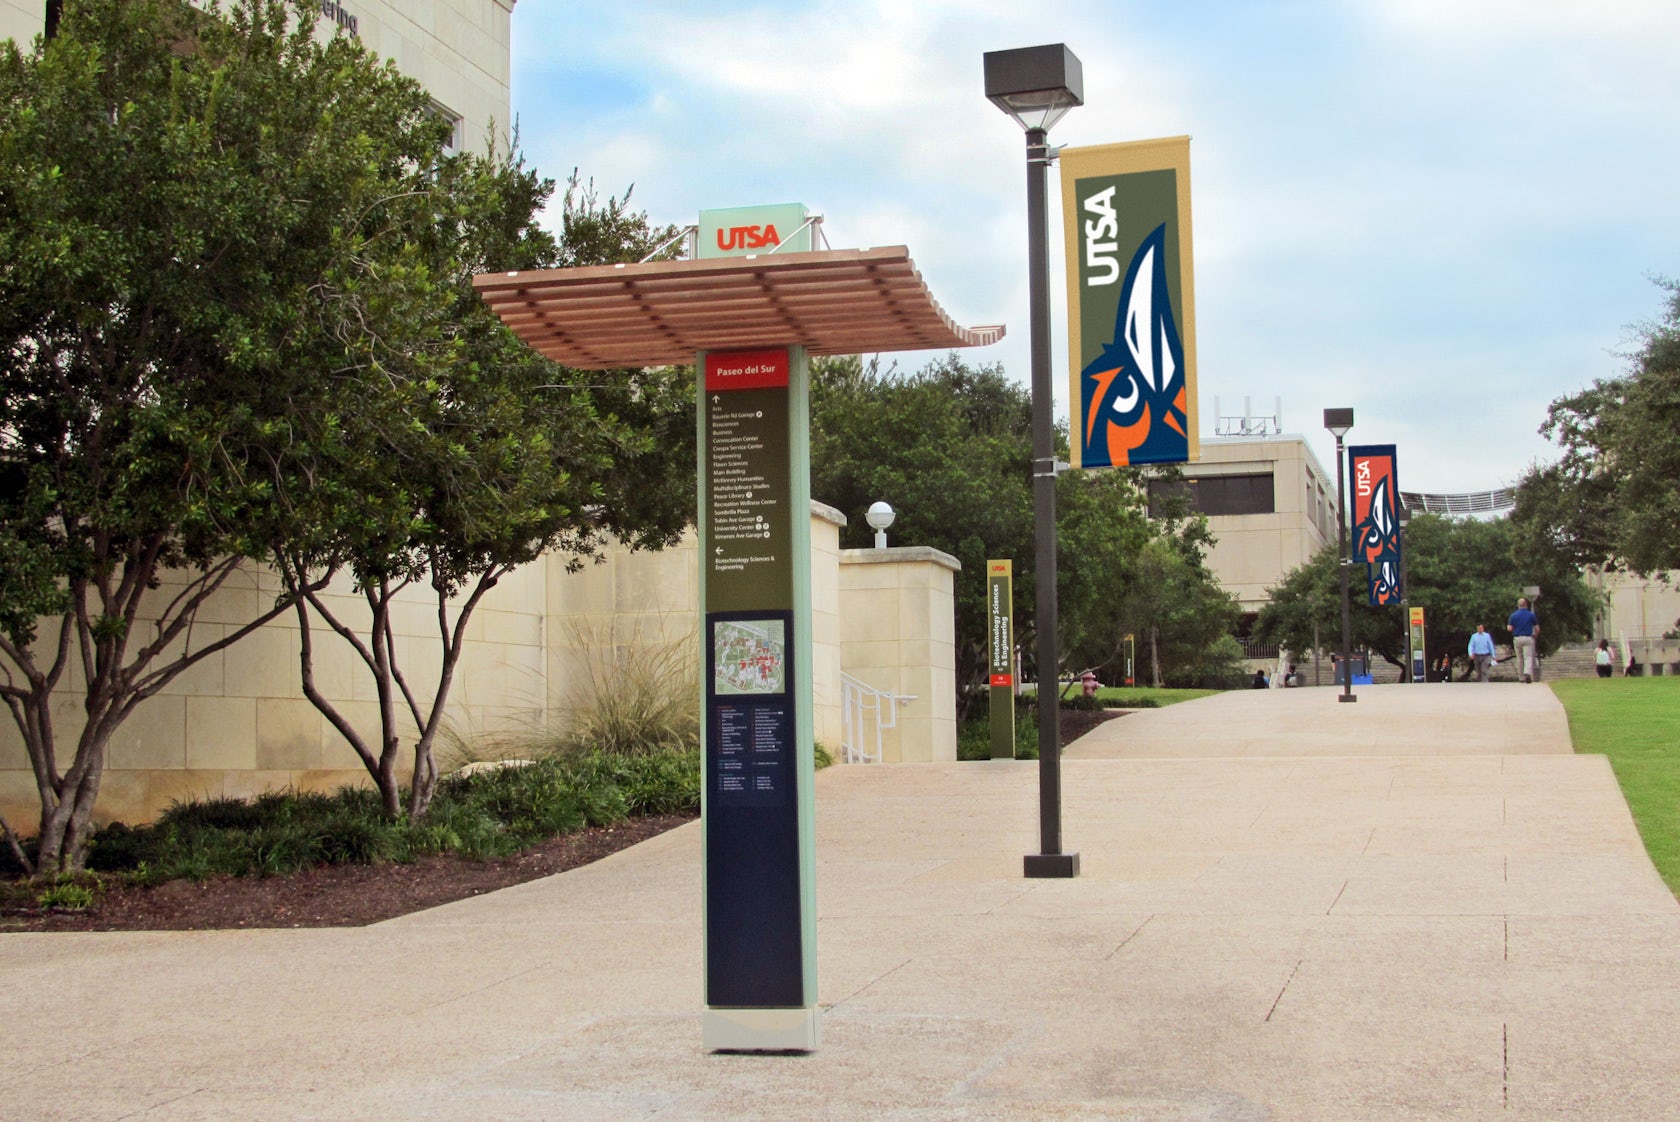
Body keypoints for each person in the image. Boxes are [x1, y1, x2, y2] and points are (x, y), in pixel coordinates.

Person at [1508, 597, 1540, 683]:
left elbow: (1509, 628)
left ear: (1518, 605)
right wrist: (1535, 635)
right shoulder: (1531, 615)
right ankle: (1527, 673)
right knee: (1528, 657)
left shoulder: (1513, 615)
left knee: (1519, 658)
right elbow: (1537, 628)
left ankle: (1521, 677)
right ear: (1526, 605)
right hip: (1528, 637)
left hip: (1517, 638)